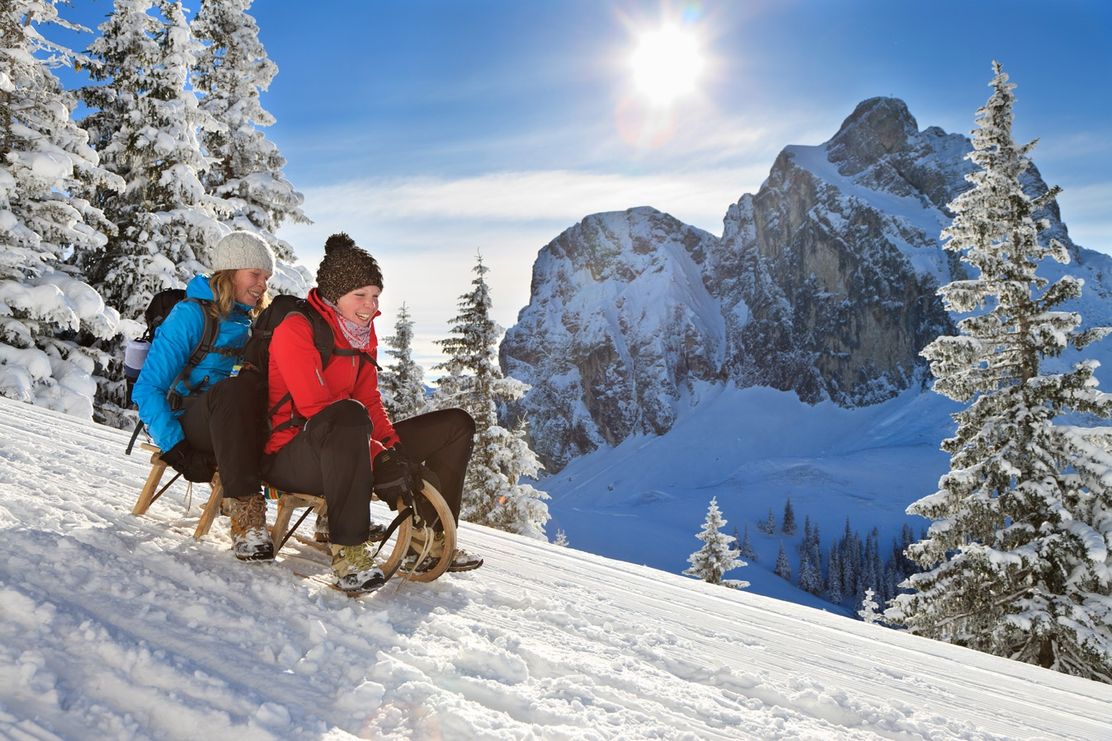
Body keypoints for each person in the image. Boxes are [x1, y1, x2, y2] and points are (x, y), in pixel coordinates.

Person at [262, 233, 483, 594]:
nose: (370, 306)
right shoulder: (297, 328)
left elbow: (368, 400)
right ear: (334, 294)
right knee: (347, 415)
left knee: (456, 425)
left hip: (350, 441)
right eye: (360, 295)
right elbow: (317, 410)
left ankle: (426, 543)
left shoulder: (361, 331)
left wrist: (393, 448)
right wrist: (380, 457)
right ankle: (349, 554)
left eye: (376, 295)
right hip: (294, 453)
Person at [132, 231, 275, 562]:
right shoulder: (191, 315)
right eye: (255, 274)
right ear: (229, 273)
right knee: (232, 391)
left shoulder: (254, 323)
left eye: (266, 278)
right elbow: (148, 388)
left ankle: (329, 511)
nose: (262, 285)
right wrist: (177, 449)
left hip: (234, 422)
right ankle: (246, 519)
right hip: (191, 421)